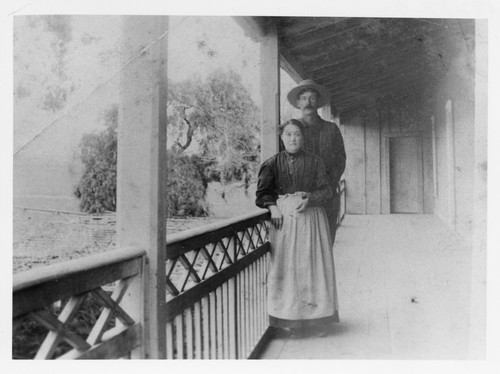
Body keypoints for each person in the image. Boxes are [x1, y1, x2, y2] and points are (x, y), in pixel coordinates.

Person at [256, 119, 339, 338]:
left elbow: (327, 190)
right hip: (284, 222)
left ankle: (318, 320)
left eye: (297, 135)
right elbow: (263, 193)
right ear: (282, 138)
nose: (293, 139)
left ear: (303, 138)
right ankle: (292, 322)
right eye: (288, 135)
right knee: (288, 268)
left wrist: (310, 199)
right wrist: (272, 207)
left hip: (312, 219)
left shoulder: (315, 162)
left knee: (313, 266)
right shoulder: (272, 163)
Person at [286, 79, 346, 243]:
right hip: (300, 201)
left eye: (312, 98)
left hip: (327, 199)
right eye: (304, 98)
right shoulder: (292, 131)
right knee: (302, 250)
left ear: (318, 102)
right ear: (298, 103)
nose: (308, 103)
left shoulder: (331, 129)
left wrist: (324, 191)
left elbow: (340, 161)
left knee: (325, 249)